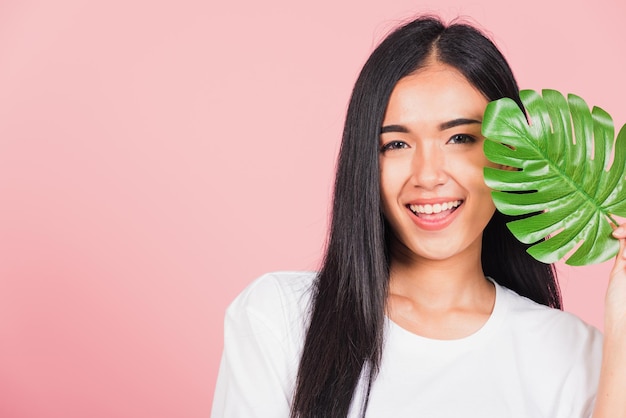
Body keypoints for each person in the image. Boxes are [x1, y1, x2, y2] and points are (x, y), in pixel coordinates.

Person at [211, 16, 626, 418]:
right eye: (395, 144)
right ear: (364, 163)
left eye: (460, 138)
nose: (428, 176)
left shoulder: (574, 355)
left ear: (510, 157)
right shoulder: (278, 320)